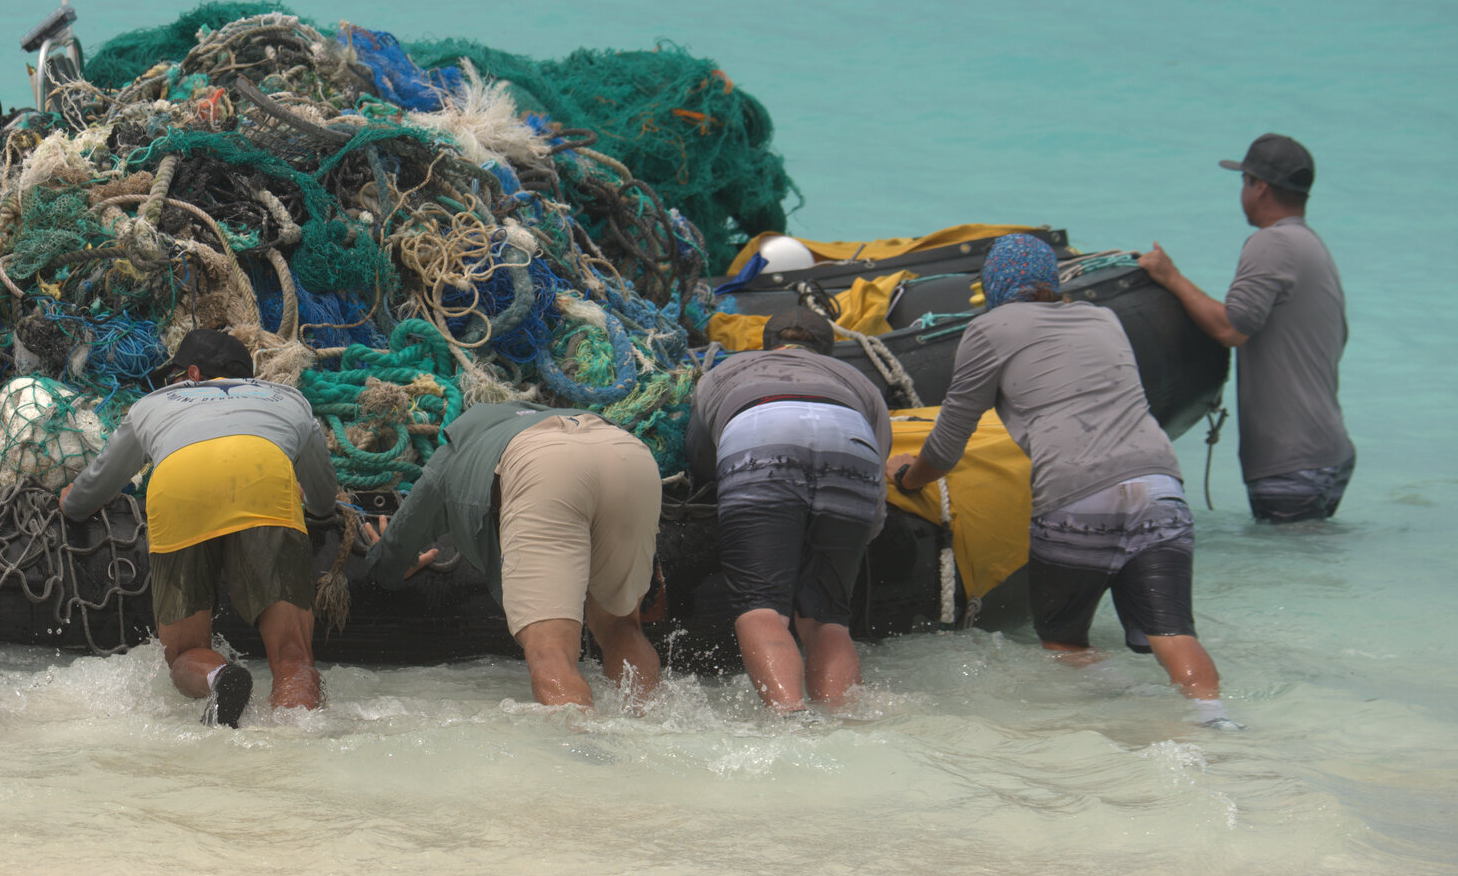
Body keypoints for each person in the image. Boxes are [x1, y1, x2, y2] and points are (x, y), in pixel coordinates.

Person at [887, 234, 1236, 726]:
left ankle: (1123, 707)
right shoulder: (1104, 318)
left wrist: (907, 477)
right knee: (1173, 631)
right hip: (1159, 485)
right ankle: (1215, 719)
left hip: (1076, 493)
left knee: (1064, 639)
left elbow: (947, 445)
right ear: (1051, 280)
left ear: (993, 285)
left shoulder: (989, 330)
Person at [58, 329, 342, 727]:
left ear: (191, 374)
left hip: (179, 489)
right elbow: (324, 498)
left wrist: (70, 502)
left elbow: (95, 487)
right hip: (264, 484)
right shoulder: (289, 400)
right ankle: (299, 742)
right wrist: (318, 507)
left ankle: (218, 676)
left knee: (184, 652)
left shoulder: (151, 404)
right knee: (293, 657)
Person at [363, 401, 662, 708]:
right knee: (622, 627)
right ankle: (649, 734)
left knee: (551, 650)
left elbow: (392, 556)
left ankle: (583, 750)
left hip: (542, 463)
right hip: (626, 452)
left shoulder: (454, 452)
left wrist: (389, 560)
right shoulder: (550, 415)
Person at [684, 306, 891, 713]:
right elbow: (877, 476)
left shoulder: (722, 372)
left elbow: (701, 458)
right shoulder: (859, 382)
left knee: (762, 607)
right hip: (848, 438)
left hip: (760, 429)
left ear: (767, 344)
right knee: (828, 616)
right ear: (829, 351)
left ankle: (790, 723)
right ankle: (842, 724)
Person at [1139, 133, 1354, 522]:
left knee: (1291, 579)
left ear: (1261, 188)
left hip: (1291, 464)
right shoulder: (1313, 247)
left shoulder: (1271, 244)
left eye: (1244, 181)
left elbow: (1231, 328)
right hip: (1328, 452)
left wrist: (1170, 278)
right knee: (1307, 575)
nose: (1242, 192)